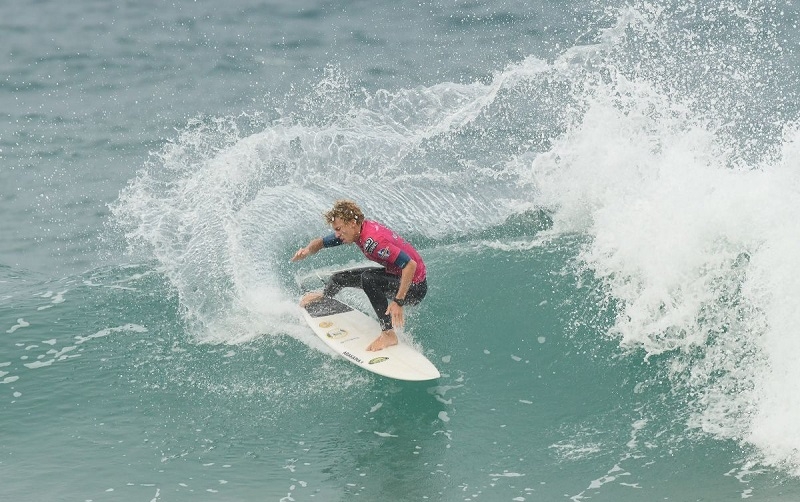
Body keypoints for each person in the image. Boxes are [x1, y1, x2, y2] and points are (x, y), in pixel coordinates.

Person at [291, 200, 427, 351]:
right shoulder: (356, 230)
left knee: (368, 279)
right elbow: (321, 242)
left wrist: (398, 301)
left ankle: (388, 334)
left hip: (415, 288)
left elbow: (410, 265)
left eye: (338, 229)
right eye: (335, 230)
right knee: (339, 278)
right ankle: (325, 297)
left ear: (351, 223)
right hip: (396, 275)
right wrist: (306, 251)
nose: (337, 234)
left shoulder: (373, 241)